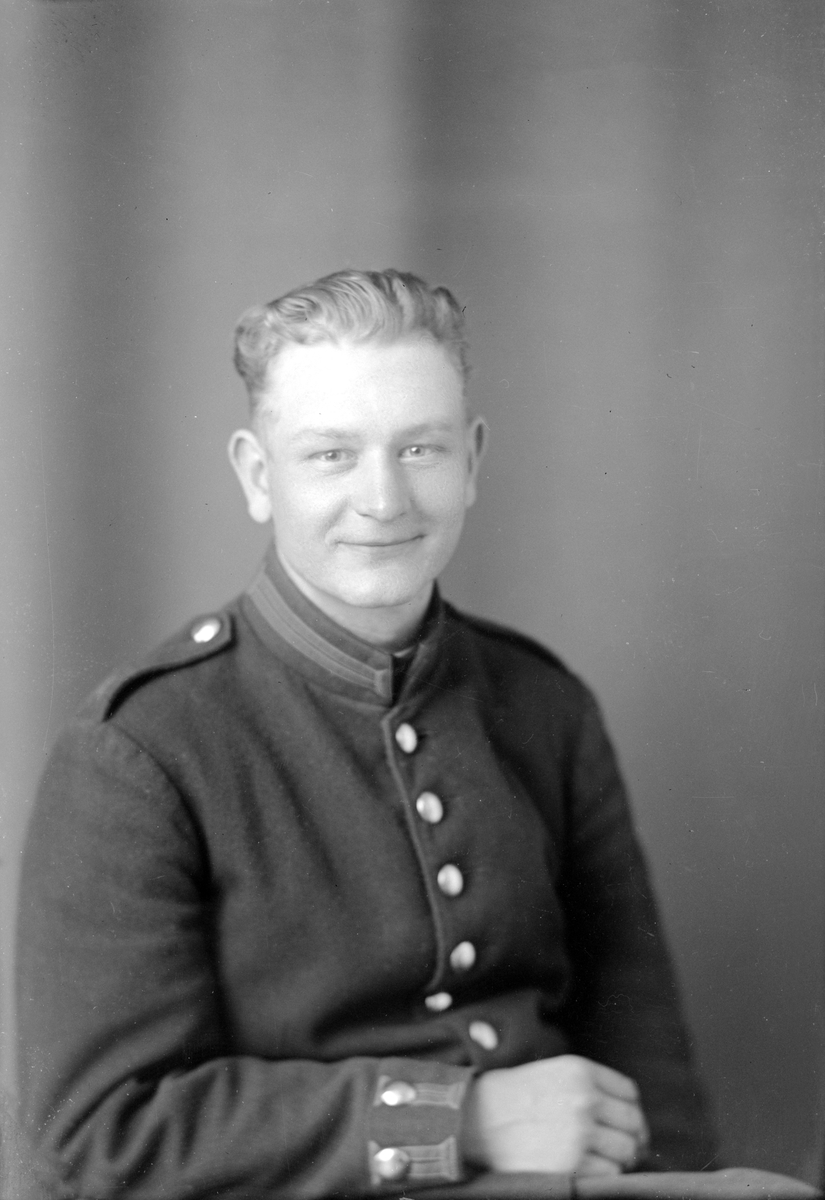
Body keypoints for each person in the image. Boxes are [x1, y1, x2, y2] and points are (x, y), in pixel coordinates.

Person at [16, 269, 718, 1200]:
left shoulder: (545, 705)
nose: (384, 499)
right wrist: (459, 1120)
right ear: (258, 477)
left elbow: (647, 1065)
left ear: (472, 460)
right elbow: (103, 1132)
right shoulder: (143, 751)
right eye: (331, 455)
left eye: (420, 448)